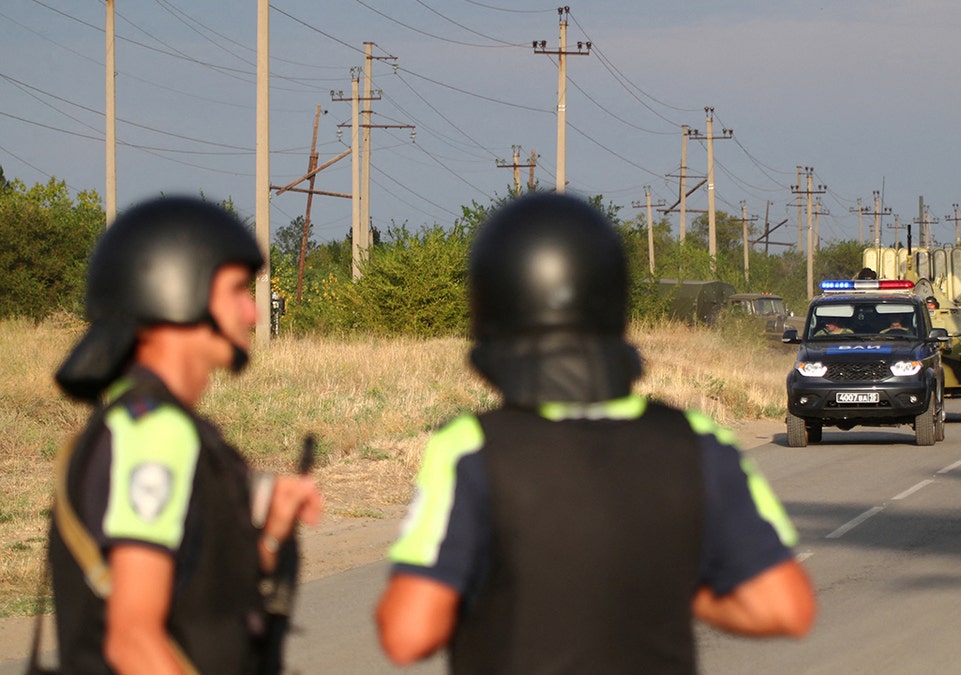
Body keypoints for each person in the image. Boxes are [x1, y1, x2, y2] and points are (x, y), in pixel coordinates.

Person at [375, 192, 816, 673]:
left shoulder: (470, 449)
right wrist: (663, 588)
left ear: (490, 308)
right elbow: (784, 607)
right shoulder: (697, 442)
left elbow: (407, 634)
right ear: (614, 301)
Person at [50, 195, 323, 674]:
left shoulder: (160, 425)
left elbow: (202, 596)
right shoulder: (155, 434)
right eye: (238, 290)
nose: (253, 313)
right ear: (178, 291)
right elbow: (133, 641)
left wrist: (271, 534)